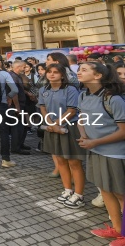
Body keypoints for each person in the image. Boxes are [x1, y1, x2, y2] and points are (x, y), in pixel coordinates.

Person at [77, 62, 125, 241]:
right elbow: (81, 119)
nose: (79, 72)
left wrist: (95, 141)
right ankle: (117, 228)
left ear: (98, 76)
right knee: (105, 190)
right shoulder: (82, 95)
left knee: (121, 193)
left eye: (84, 70)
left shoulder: (114, 99)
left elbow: (123, 131)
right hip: (95, 150)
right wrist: (84, 136)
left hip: (114, 153)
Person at [38, 63, 86, 209]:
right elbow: (42, 108)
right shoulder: (43, 90)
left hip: (69, 128)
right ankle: (67, 190)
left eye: (56, 72)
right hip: (52, 128)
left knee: (74, 162)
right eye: (49, 72)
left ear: (62, 75)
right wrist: (50, 123)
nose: (52, 74)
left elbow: (72, 110)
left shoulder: (70, 89)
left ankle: (79, 194)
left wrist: (57, 123)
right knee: (60, 161)